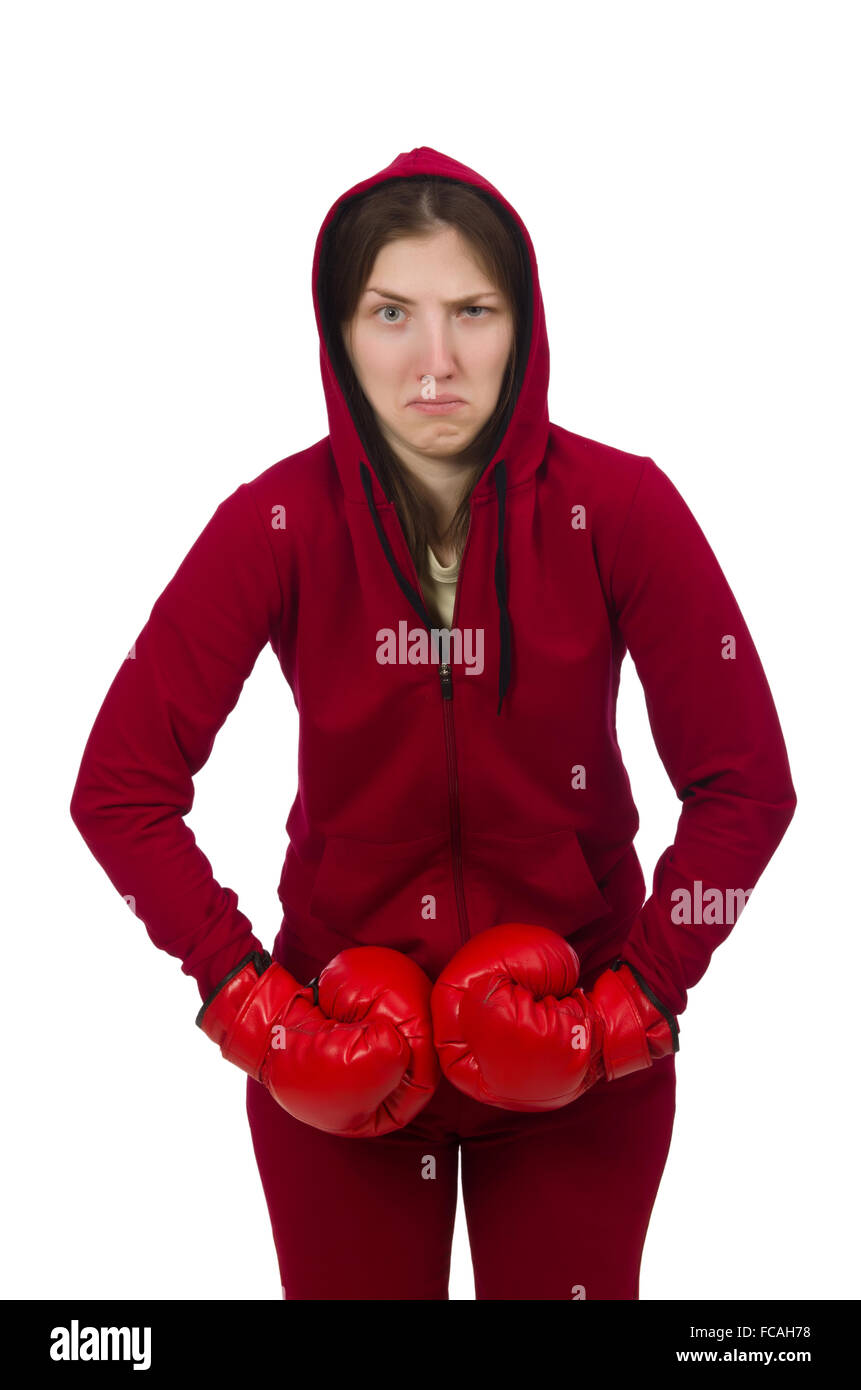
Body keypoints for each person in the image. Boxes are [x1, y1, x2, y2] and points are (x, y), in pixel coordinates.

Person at [69, 145, 797, 1300]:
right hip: (335, 1054)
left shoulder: (623, 510)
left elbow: (746, 783)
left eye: (474, 310)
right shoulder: (273, 524)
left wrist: (637, 1002)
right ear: (339, 333)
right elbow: (119, 785)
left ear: (526, 324)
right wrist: (251, 1009)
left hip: (578, 1061)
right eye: (392, 313)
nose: (437, 361)